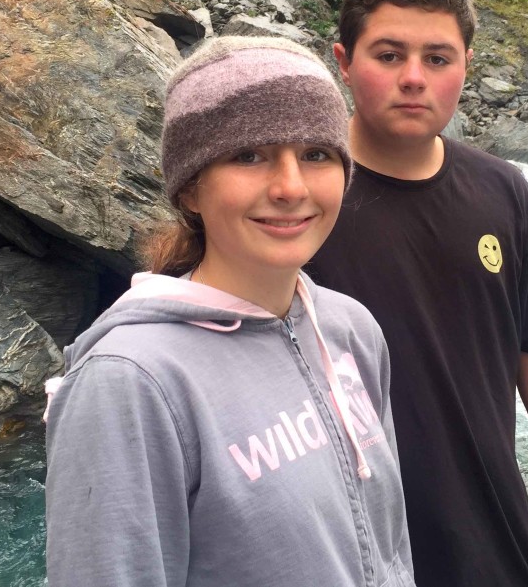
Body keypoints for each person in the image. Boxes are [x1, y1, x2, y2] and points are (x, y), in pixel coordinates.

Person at [306, 0, 528, 587]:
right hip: (353, 554)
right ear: (344, 63)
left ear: (465, 68)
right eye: (388, 55)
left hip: (494, 543)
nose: (413, 78)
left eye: (437, 58)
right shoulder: (302, 201)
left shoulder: (502, 190)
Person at [45, 37, 415, 587]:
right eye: (249, 155)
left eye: (315, 154)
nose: (291, 187)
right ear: (191, 188)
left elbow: (391, 548)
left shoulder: (349, 329)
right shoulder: (130, 382)